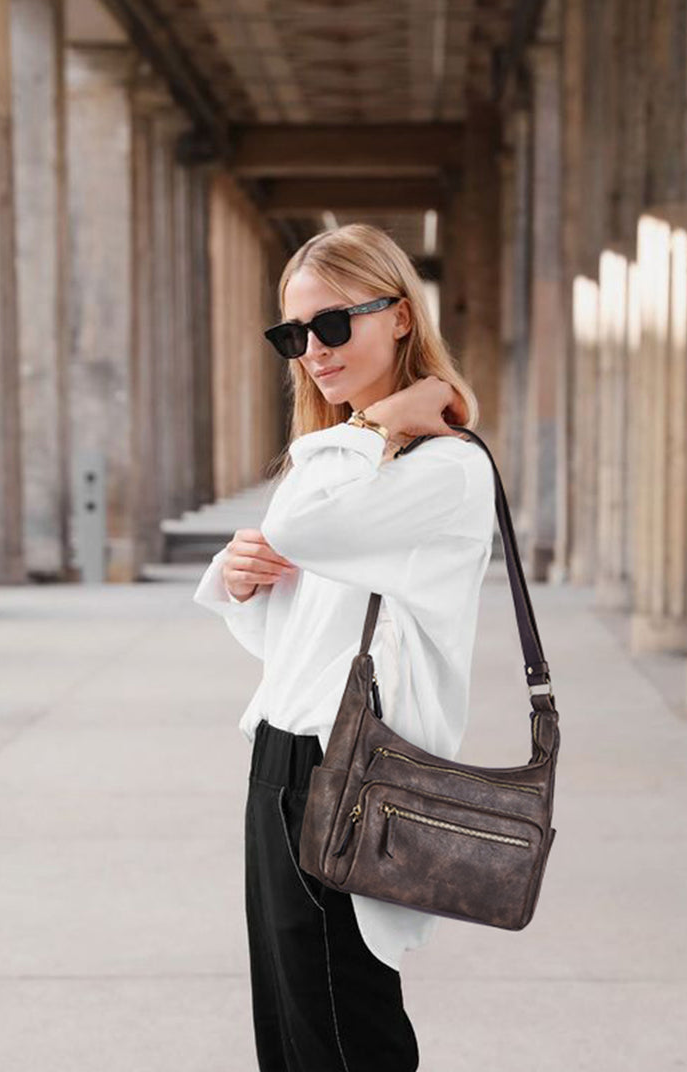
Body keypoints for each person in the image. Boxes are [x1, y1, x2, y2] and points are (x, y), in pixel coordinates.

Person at [193, 222, 496, 1071]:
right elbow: (297, 636)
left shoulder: (443, 468)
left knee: (343, 1030)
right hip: (284, 759)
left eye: (332, 324)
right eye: (294, 335)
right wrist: (244, 577)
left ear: (400, 316)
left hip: (350, 768)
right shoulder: (347, 459)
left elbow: (299, 526)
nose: (314, 352)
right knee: (293, 1032)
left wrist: (379, 420)